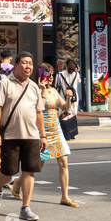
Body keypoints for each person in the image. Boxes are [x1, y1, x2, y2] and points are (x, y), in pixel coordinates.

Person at [0, 53, 44, 221]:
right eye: (24, 63)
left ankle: (25, 207)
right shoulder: (5, 83)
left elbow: (39, 113)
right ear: (16, 65)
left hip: (32, 136)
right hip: (10, 136)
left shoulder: (34, 86)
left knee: (29, 172)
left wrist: (43, 135)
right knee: (7, 173)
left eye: (30, 63)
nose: (28, 66)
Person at [37, 65, 78, 207]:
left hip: (56, 130)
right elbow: (39, 109)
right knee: (37, 166)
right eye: (48, 75)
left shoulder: (53, 90)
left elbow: (65, 107)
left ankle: (65, 196)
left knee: (64, 161)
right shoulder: (34, 90)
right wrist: (41, 90)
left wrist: (68, 97)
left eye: (52, 75)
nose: (51, 77)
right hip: (42, 131)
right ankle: (17, 184)